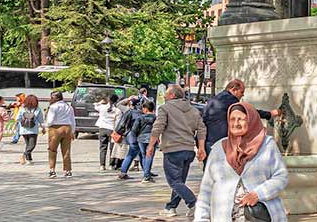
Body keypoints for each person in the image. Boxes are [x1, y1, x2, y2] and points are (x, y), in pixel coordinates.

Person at [193, 103, 288, 222]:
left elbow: (281, 177)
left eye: (241, 119)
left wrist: (258, 194)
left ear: (251, 120)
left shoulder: (267, 145)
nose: (236, 123)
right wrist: (201, 219)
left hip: (259, 216)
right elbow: (206, 189)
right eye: (232, 119)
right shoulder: (218, 148)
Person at [148, 87, 208, 217]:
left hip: (172, 149)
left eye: (166, 94)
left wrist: (150, 145)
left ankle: (194, 204)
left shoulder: (165, 108)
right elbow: (202, 129)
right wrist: (201, 148)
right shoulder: (193, 110)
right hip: (188, 150)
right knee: (179, 182)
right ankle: (171, 207)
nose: (164, 97)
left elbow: (158, 127)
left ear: (173, 95)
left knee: (174, 182)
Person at [202, 79, 276, 149]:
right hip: (219, 142)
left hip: (207, 141)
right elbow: (247, 111)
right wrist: (269, 114)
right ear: (234, 89)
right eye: (241, 92)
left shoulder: (214, 99)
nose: (243, 95)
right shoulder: (230, 99)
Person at [120, 101, 158, 181]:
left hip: (141, 139)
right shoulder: (156, 118)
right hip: (152, 139)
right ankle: (147, 174)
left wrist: (136, 136)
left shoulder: (140, 118)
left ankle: (146, 174)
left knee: (143, 156)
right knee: (149, 156)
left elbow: (134, 129)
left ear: (145, 109)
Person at [45, 90, 75, 177]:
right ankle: (67, 171)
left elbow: (50, 120)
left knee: (52, 150)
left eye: (52, 97)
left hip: (55, 128)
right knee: (66, 150)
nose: (50, 99)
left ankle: (52, 170)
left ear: (57, 98)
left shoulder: (53, 107)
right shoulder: (69, 106)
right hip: (67, 128)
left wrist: (46, 126)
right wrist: (72, 131)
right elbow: (72, 120)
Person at [15, 93, 43, 165]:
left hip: (23, 129)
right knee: (32, 145)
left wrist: (23, 120)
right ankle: (24, 155)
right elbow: (41, 120)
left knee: (28, 145)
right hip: (33, 129)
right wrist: (43, 128)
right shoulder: (38, 109)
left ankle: (29, 160)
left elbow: (17, 119)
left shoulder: (22, 109)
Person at [95, 92, 121, 170]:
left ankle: (102, 165)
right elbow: (118, 122)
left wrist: (101, 102)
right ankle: (111, 164)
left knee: (103, 147)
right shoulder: (117, 110)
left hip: (102, 128)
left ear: (108, 100)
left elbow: (95, 106)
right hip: (112, 130)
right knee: (112, 148)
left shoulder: (102, 108)